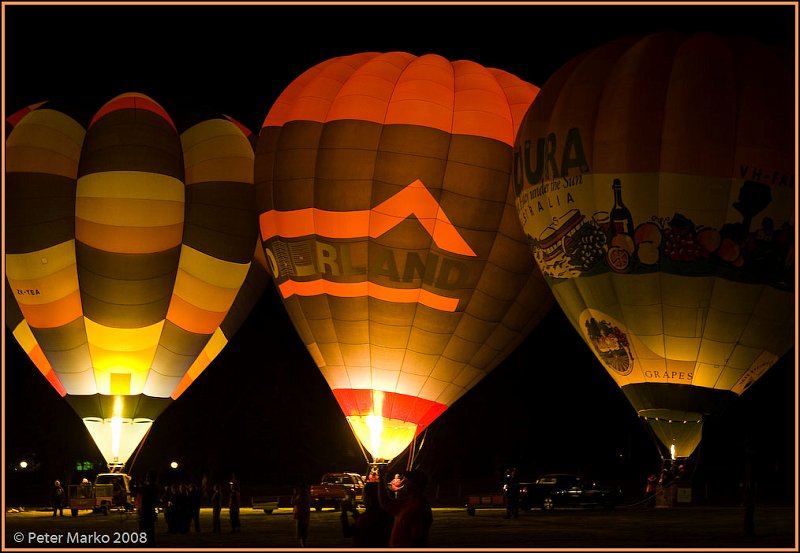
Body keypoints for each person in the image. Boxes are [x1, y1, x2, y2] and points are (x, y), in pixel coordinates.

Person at [378, 468, 433, 547]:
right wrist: (381, 479)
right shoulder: (408, 502)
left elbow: (418, 540)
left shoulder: (420, 508)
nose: (405, 483)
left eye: (408, 481)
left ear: (416, 484)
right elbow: (386, 503)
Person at [341, 481, 394, 547]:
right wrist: (355, 512)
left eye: (364, 495)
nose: (363, 498)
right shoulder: (386, 514)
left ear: (369, 497)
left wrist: (344, 512)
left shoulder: (368, 517)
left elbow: (348, 532)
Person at [137, 472, 159, 546]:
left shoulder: (152, 487)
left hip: (148, 510)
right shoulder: (148, 487)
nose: (147, 478)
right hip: (145, 510)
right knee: (144, 527)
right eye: (147, 477)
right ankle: (145, 541)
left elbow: (146, 491)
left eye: (148, 477)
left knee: (148, 527)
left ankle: (149, 541)